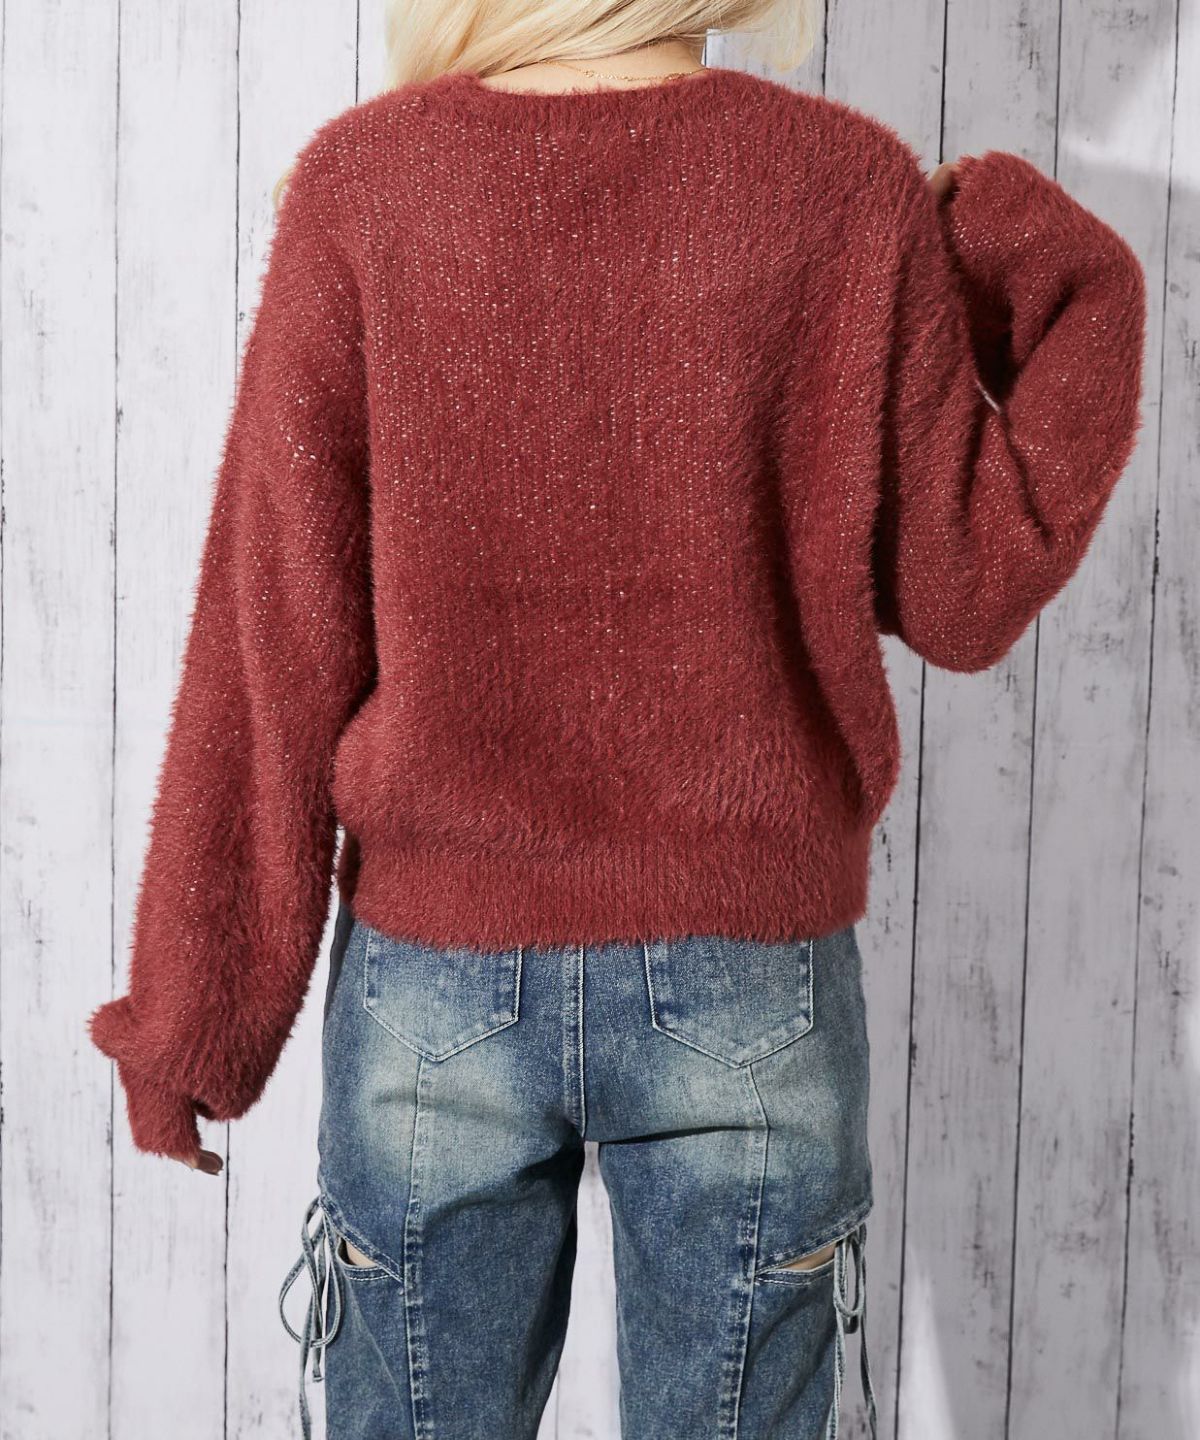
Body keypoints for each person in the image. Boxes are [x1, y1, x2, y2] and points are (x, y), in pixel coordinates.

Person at [86, 1, 1147, 1436]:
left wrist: (192, 1025)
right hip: (750, 982)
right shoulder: (846, 189)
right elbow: (965, 593)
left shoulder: (365, 186)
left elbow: (271, 641)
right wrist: (1043, 255)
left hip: (437, 987)